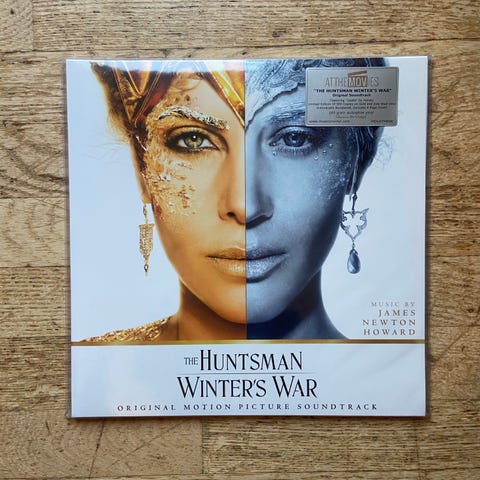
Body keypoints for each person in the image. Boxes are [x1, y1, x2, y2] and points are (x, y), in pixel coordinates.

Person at [86, 60, 247, 342]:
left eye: (294, 139)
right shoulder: (97, 363)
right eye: (193, 140)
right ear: (141, 167)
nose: (243, 204)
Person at [244, 58, 384, 339]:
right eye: (194, 140)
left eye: (294, 138)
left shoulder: (391, 367)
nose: (247, 208)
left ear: (356, 164)